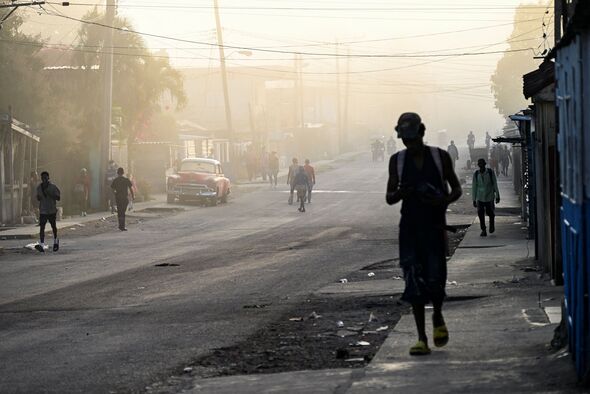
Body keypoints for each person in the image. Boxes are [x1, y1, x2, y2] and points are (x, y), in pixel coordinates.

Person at [386, 112, 462, 356]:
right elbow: (389, 198)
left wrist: (443, 201)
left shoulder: (440, 158)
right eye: (406, 141)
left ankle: (438, 314)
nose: (410, 144)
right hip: (409, 229)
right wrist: (402, 193)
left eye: (413, 139)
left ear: (421, 133)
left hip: (435, 228)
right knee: (413, 281)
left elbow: (457, 189)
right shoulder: (397, 161)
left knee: (436, 278)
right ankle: (421, 338)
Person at [472, 158, 500, 237]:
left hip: (489, 196)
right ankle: (483, 229)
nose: (481, 166)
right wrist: (474, 199)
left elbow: (495, 184)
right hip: (480, 197)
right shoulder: (476, 174)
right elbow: (474, 187)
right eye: (479, 164)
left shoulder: (490, 172)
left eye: (482, 164)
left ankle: (491, 226)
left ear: (485, 164)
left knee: (490, 213)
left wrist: (497, 196)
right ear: (478, 165)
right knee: (480, 213)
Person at [35, 171, 61, 252]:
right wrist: (38, 198)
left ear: (48, 178)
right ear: (41, 178)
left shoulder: (53, 187)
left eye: (46, 178)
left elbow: (58, 197)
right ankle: (42, 244)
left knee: (53, 226)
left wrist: (50, 194)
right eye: (43, 178)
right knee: (42, 227)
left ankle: (56, 241)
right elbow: (38, 198)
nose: (44, 179)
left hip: (51, 210)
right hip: (43, 210)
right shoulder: (39, 187)